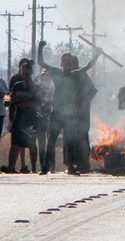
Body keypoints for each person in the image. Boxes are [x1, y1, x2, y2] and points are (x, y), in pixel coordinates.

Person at [38, 41, 101, 175]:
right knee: (51, 140)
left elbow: (89, 66)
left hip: (70, 115)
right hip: (56, 113)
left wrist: (97, 55)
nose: (66, 63)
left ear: (72, 64)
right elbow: (41, 63)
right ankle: (46, 166)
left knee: (71, 141)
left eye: (69, 61)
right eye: (64, 61)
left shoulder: (76, 75)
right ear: (61, 63)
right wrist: (40, 48)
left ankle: (71, 166)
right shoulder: (56, 72)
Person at [6, 62, 39, 173]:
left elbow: (39, 102)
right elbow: (10, 97)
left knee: (31, 143)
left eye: (27, 72)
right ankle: (11, 167)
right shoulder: (17, 85)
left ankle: (34, 168)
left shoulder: (35, 87)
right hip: (18, 117)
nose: (25, 74)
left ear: (31, 73)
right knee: (15, 143)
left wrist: (28, 104)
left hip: (30, 118)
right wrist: (7, 102)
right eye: (23, 72)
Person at [74, 55, 99, 174]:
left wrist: (81, 105)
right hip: (70, 111)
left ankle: (84, 164)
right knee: (73, 138)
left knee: (82, 137)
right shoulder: (68, 76)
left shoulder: (81, 75)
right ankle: (75, 163)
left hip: (81, 112)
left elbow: (93, 91)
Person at [34, 69, 53, 171]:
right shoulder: (37, 87)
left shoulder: (52, 88)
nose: (44, 78)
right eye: (43, 76)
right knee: (41, 144)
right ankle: (42, 166)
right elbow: (35, 101)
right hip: (40, 117)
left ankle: (51, 166)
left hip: (50, 116)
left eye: (46, 76)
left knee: (51, 142)